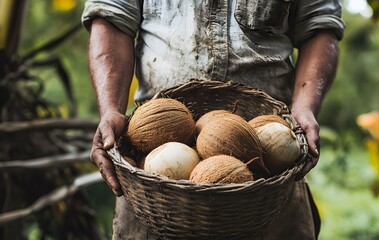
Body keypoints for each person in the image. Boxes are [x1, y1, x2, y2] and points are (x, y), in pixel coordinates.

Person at [81, 0, 345, 239]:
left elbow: (320, 27)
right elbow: (111, 17)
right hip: (149, 188)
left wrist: (304, 109)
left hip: (272, 169)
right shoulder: (153, 142)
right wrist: (111, 111)